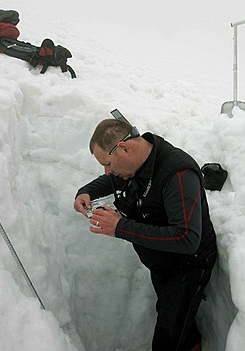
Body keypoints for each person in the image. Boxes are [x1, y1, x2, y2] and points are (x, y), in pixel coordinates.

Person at [74, 118, 217, 351]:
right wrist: (87, 191)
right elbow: (112, 179)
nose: (107, 171)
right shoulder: (138, 162)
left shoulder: (178, 173)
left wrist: (120, 227)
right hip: (162, 260)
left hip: (187, 266)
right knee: (173, 319)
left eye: (108, 163)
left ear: (125, 148)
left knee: (166, 340)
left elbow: (187, 238)